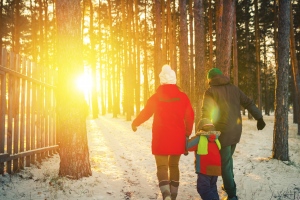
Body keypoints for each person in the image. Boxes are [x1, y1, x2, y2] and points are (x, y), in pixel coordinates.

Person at [200, 68, 266, 200]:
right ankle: (228, 185)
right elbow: (248, 102)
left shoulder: (211, 91)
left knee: (225, 164)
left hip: (222, 132)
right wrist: (259, 118)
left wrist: (204, 127)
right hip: (236, 131)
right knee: (228, 160)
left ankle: (232, 194)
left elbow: (206, 111)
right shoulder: (234, 89)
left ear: (210, 79)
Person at [131, 64, 194, 200]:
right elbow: (190, 116)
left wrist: (136, 122)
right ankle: (173, 196)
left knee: (162, 166)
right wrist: (187, 133)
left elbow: (146, 112)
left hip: (161, 137)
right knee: (174, 165)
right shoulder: (182, 97)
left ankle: (165, 194)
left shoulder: (156, 97)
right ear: (174, 80)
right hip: (178, 137)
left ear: (161, 80)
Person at [186, 118, 222, 200]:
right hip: (216, 168)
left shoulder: (200, 138)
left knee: (203, 188)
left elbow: (188, 146)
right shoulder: (216, 138)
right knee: (212, 187)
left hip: (205, 168)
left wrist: (186, 137)